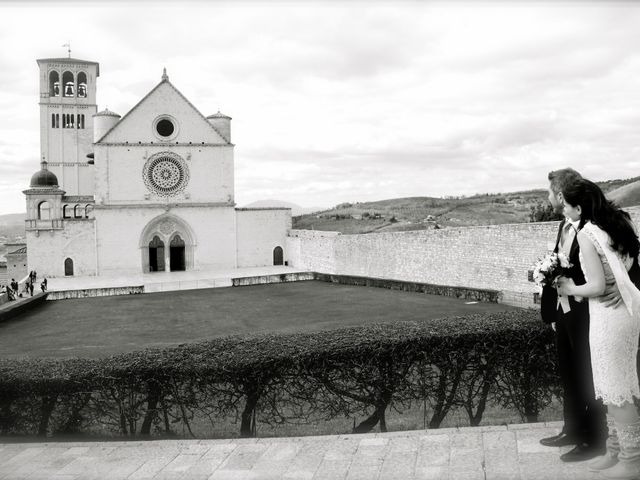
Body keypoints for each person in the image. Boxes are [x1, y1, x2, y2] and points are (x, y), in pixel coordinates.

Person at [556, 178, 640, 478]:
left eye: (565, 203)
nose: (562, 207)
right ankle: (615, 450)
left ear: (579, 206)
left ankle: (632, 460)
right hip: (624, 314)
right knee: (614, 384)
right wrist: (624, 283)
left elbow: (596, 285)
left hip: (609, 316)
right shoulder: (616, 222)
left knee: (617, 388)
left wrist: (568, 287)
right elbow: (629, 256)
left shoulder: (588, 234)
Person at [538, 168, 607, 462]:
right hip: (564, 311)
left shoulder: (594, 228)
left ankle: (595, 439)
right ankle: (573, 428)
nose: (548, 196)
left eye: (550, 192)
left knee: (588, 374)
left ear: (562, 195)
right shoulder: (563, 225)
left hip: (588, 312)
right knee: (568, 372)